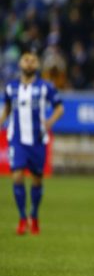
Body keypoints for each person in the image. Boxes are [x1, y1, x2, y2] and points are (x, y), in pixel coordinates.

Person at [1, 51, 64, 235]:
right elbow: (7, 109)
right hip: (17, 139)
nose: (29, 63)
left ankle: (34, 215)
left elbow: (60, 108)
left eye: (33, 60)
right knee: (17, 176)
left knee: (37, 180)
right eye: (26, 60)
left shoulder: (46, 87)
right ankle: (22, 219)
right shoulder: (11, 87)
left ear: (37, 65)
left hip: (37, 139)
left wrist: (50, 122)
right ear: (20, 63)